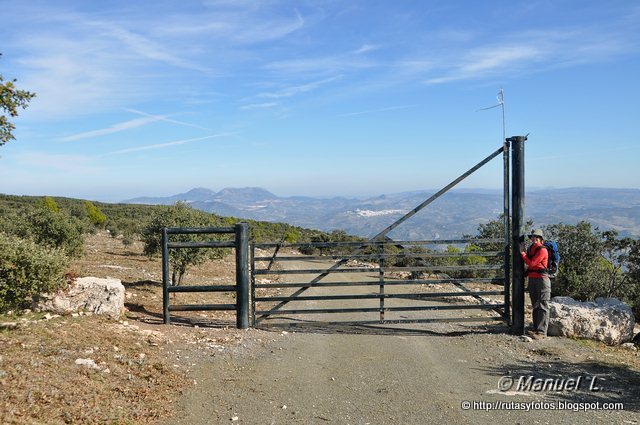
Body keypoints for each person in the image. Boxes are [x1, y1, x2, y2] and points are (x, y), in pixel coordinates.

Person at [520, 229, 550, 339]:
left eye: (536, 237)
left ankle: (541, 332)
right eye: (532, 237)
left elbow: (532, 263)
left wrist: (522, 253)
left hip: (542, 280)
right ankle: (536, 329)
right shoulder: (531, 248)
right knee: (535, 304)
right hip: (532, 279)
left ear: (541, 239)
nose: (534, 239)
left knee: (543, 305)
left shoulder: (543, 250)